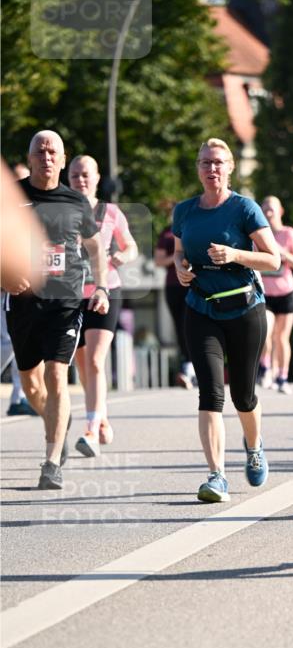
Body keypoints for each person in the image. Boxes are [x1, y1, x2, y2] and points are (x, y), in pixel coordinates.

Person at [172, 138, 281, 502]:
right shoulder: (185, 211)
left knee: (243, 395)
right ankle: (216, 476)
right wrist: (180, 268)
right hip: (201, 308)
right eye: (205, 163)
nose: (211, 169)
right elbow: (178, 252)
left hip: (245, 309)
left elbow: (273, 260)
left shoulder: (244, 209)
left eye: (218, 162)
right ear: (198, 168)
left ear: (230, 167)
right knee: (210, 394)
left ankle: (253, 447)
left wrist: (235, 254)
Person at [4, 131, 108, 489]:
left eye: (53, 152)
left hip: (64, 300)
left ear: (63, 161)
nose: (46, 157)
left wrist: (103, 286)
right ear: (30, 158)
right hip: (21, 302)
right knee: (32, 385)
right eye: (40, 151)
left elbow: (96, 249)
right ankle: (58, 423)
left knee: (56, 374)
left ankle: (51, 462)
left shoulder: (76, 202)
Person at [67, 154, 138, 454]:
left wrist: (124, 255)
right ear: (67, 180)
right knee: (83, 368)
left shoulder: (110, 212)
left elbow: (130, 245)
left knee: (95, 360)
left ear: (97, 178)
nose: (81, 180)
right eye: (75, 176)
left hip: (105, 291)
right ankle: (103, 417)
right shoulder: (60, 212)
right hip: (70, 296)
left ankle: (91, 430)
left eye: (86, 174)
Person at [2, 162, 39, 416]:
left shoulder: (33, 212)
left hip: (25, 290)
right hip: (6, 288)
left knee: (19, 345)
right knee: (7, 343)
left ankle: (19, 397)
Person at [257, 195, 293, 394]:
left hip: (286, 292)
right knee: (265, 331)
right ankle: (265, 367)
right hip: (265, 294)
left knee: (282, 337)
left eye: (272, 207)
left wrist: (282, 254)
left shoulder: (288, 233)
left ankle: (282, 377)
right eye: (264, 207)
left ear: (280, 211)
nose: (268, 210)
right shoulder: (257, 235)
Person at [154, 199, 197, 389]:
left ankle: (195, 366)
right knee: (180, 326)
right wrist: (178, 256)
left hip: (192, 283)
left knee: (193, 324)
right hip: (173, 285)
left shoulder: (194, 229)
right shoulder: (166, 233)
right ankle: (187, 366)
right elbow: (159, 260)